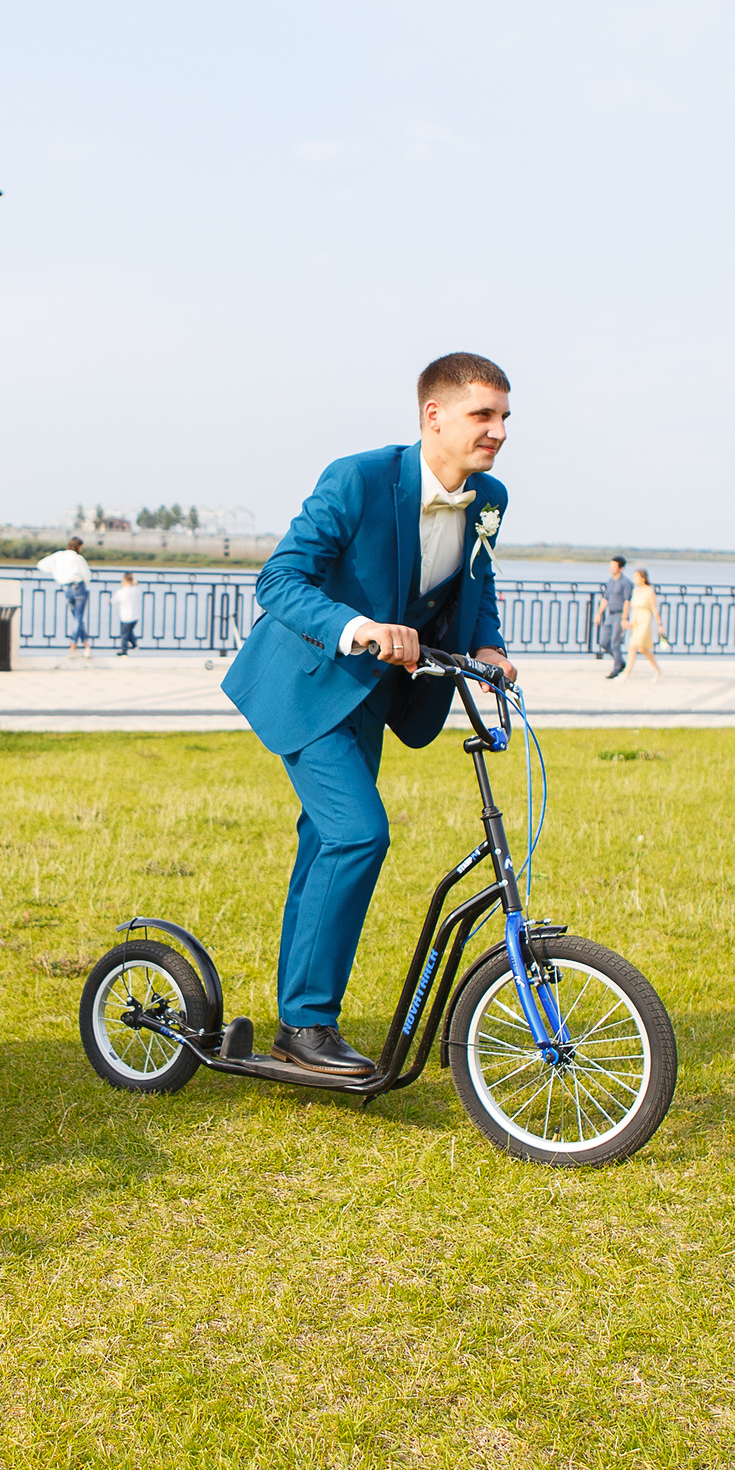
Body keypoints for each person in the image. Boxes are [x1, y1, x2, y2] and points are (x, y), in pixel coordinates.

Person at [221, 352, 517, 1077]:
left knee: (327, 843)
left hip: (378, 695)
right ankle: (308, 1026)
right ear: (434, 416)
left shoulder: (489, 497)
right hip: (311, 681)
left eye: (506, 417)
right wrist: (359, 628)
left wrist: (489, 644)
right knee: (359, 835)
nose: (499, 432)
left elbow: (473, 584)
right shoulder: (357, 478)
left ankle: (300, 1017)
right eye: (484, 415)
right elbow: (280, 578)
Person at [36, 536, 95, 659]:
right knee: (78, 619)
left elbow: (40, 565)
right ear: (78, 547)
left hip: (66, 589)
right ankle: (74, 646)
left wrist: (56, 572)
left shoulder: (58, 556)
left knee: (77, 619)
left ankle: (86, 646)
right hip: (79, 588)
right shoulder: (78, 558)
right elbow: (87, 575)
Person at [624, 566, 662, 681]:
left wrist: (660, 624)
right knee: (636, 647)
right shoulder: (635, 591)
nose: (634, 579)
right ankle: (628, 673)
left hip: (645, 620)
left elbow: (654, 608)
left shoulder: (649, 591)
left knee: (639, 647)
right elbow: (633, 607)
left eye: (636, 577)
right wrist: (630, 620)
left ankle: (628, 673)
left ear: (643, 578)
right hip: (636, 619)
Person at [598, 556, 632, 676]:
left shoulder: (626, 583)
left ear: (620, 568)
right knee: (603, 642)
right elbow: (605, 598)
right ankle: (620, 662)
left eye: (614, 566)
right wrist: (599, 614)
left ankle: (617, 668)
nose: (611, 568)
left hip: (619, 615)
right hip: (610, 615)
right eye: (610, 566)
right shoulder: (611, 581)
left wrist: (624, 618)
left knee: (615, 642)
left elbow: (627, 601)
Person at [113, 571, 144, 656]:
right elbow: (138, 588)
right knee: (128, 632)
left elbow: (114, 600)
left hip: (125, 617)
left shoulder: (121, 592)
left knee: (124, 634)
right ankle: (134, 644)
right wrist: (136, 584)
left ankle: (124, 650)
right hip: (135, 616)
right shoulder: (135, 590)